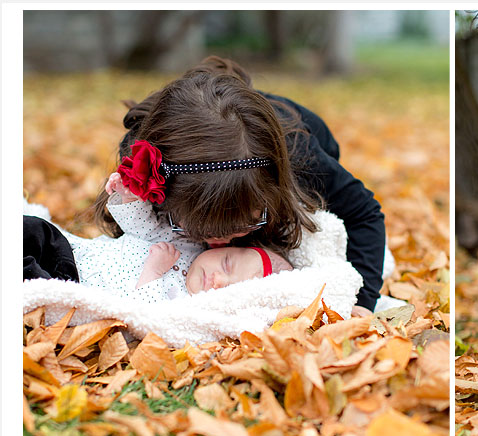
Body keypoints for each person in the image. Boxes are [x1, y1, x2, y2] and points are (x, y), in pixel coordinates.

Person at [89, 56, 384, 315]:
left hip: (298, 145)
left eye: (242, 225)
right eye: (199, 230)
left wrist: (363, 301)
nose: (219, 242)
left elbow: (364, 213)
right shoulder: (148, 160)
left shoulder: (302, 157)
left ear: (274, 191)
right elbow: (136, 232)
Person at [24, 173, 291, 303]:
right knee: (33, 229)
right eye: (226, 266)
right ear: (221, 248)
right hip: (75, 251)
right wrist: (129, 196)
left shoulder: (185, 302)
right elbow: (142, 227)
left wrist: (153, 271)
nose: (218, 281)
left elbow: (143, 313)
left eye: (231, 289)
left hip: (74, 282)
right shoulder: (185, 242)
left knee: (33, 283)